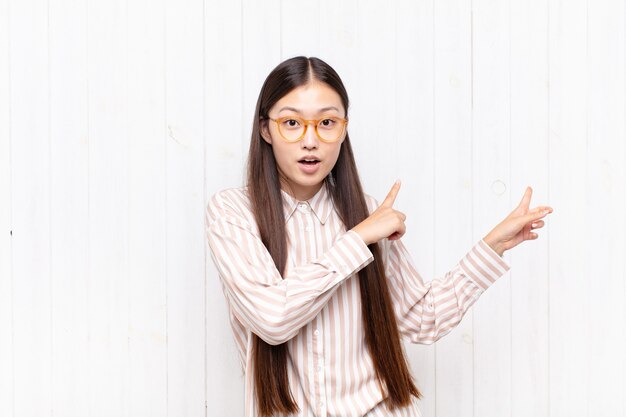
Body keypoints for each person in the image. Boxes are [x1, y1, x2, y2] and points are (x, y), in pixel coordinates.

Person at [205, 56, 553, 417]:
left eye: (327, 123)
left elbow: (422, 317)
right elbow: (272, 318)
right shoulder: (233, 212)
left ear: (343, 128)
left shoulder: (369, 213)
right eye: (291, 123)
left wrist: (492, 245)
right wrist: (357, 240)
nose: (310, 140)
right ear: (266, 129)